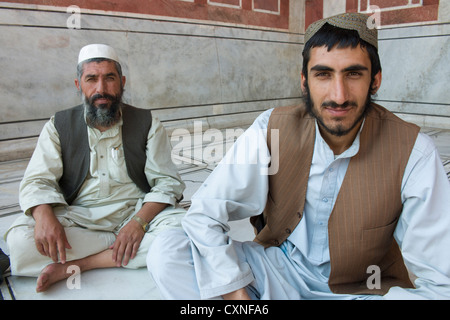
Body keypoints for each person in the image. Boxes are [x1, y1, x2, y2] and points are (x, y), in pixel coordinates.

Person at [147, 13, 450, 299]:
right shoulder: (272, 128)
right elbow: (205, 214)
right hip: (279, 271)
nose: (339, 95)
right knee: (169, 250)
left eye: (353, 74)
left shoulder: (414, 152)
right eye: (323, 75)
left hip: (362, 289)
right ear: (304, 81)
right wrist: (236, 294)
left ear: (376, 80)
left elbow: (441, 280)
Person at [5, 44, 186, 292]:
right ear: (79, 85)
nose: (101, 89)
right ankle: (122, 248)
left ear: (122, 82)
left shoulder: (147, 122)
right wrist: (44, 216)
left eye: (109, 78)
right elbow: (37, 180)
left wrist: (138, 224)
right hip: (81, 220)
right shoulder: (58, 125)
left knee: (187, 230)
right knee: (20, 241)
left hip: (136, 213)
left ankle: (84, 263)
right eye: (91, 79)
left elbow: (167, 182)